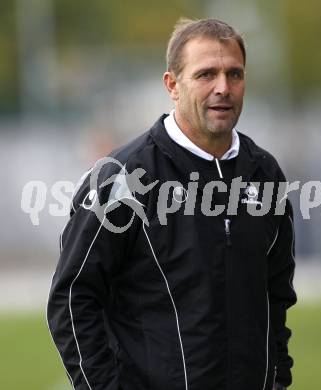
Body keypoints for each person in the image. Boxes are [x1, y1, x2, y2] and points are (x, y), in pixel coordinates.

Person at [47, 18, 297, 390]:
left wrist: (277, 377)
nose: (223, 88)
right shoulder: (122, 178)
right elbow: (72, 298)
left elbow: (276, 295)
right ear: (172, 85)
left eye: (234, 74)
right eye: (206, 74)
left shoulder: (265, 174)